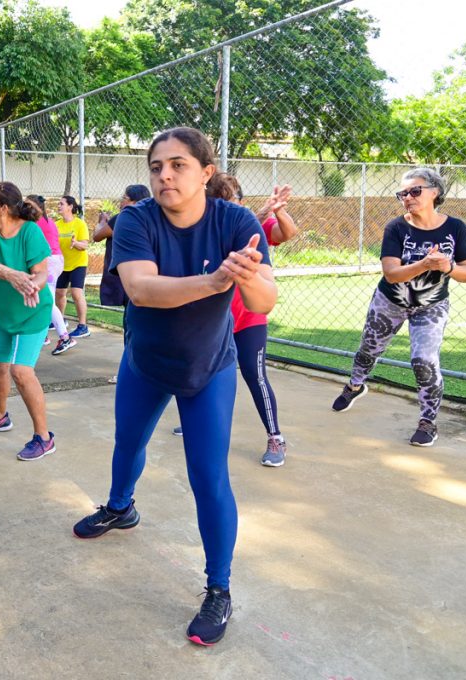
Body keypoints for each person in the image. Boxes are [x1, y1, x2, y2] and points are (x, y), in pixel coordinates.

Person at [72, 127, 275, 647]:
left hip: (209, 367)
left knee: (208, 478)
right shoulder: (137, 219)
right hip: (146, 362)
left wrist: (245, 273)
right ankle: (122, 506)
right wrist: (213, 281)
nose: (165, 174)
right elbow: (140, 288)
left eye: (178, 165)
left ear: (206, 173)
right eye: (156, 166)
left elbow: (264, 301)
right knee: (128, 445)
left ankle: (219, 588)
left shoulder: (237, 221)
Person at [332, 167, 466, 446]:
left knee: (424, 360)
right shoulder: (396, 227)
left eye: (415, 191)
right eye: (403, 193)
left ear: (435, 193)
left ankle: (428, 421)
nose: (407, 197)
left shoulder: (455, 227)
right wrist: (424, 264)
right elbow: (392, 274)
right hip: (390, 301)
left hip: (431, 305)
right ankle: (355, 385)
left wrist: (448, 266)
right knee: (368, 350)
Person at [173, 175, 298, 467]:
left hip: (249, 319)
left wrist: (276, 210)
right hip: (213, 321)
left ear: (240, 204)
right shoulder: (198, 230)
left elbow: (287, 232)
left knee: (255, 376)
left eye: (232, 204)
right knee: (198, 368)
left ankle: (276, 437)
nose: (225, 212)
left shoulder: (250, 228)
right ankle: (193, 420)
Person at [0, 182, 56, 461]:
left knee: (20, 371)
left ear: (4, 208)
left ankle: (44, 438)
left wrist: (32, 285)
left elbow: (42, 273)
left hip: (33, 312)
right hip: (3, 311)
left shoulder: (30, 231)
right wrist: (13, 275)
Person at [93, 184, 151, 381]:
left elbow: (97, 236)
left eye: (125, 197)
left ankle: (131, 371)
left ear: (134, 201)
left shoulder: (125, 217)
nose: (121, 201)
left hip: (129, 280)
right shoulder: (152, 217)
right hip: (149, 279)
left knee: (131, 326)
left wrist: (101, 222)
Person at [27, 195, 75, 355]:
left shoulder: (36, 222)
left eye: (28, 205)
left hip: (50, 261)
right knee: (44, 299)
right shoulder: (47, 220)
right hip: (55, 260)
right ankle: (44, 335)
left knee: (47, 300)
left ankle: (64, 337)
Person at [55, 196, 91, 339]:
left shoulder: (79, 224)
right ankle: (60, 320)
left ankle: (83, 326)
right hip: (62, 264)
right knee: (59, 293)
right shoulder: (56, 224)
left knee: (76, 293)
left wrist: (75, 243)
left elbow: (85, 245)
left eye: (61, 204)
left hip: (78, 263)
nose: (58, 206)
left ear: (70, 207)